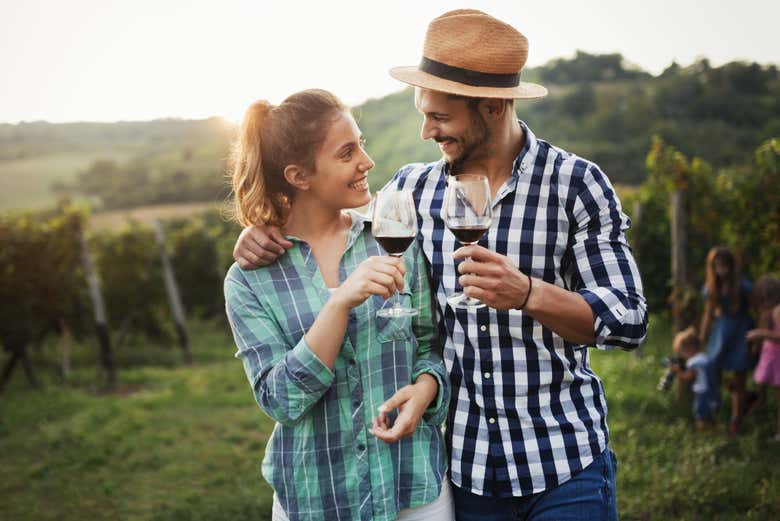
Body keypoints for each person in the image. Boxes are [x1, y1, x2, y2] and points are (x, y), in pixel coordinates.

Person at [233, 10, 647, 520]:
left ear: (493, 107)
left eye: (440, 117)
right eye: (422, 113)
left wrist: (527, 293)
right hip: (467, 470)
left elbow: (628, 321)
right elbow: (327, 220)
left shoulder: (575, 185)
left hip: (564, 462)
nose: (426, 130)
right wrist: (261, 228)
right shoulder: (412, 191)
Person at [223, 89, 454, 521]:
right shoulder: (249, 280)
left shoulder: (392, 236)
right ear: (299, 175)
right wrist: (339, 303)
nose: (366, 161)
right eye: (347, 153)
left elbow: (431, 345)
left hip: (414, 488)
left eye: (361, 144)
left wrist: (427, 390)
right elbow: (281, 400)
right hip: (318, 498)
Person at [699, 246, 756, 435]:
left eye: (724, 266)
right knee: (713, 370)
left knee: (739, 377)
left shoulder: (743, 286)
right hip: (721, 332)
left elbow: (757, 307)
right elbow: (708, 316)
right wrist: (702, 339)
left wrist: (758, 336)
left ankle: (735, 420)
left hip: (741, 331)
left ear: (732, 267)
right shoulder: (711, 288)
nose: (720, 270)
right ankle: (715, 412)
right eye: (716, 266)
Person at [746, 276, 780, 441]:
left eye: (769, 296)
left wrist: (760, 334)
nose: (766, 300)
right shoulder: (766, 314)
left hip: (777, 360)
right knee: (761, 391)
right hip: (770, 359)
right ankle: (757, 417)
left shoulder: (778, 310)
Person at [669, 326, 717, 431]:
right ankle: (714, 431)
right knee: (708, 415)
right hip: (712, 392)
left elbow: (689, 377)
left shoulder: (694, 362)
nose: (684, 357)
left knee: (699, 415)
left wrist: (678, 372)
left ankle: (702, 435)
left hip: (702, 393)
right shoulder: (705, 358)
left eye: (683, 353)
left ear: (689, 349)